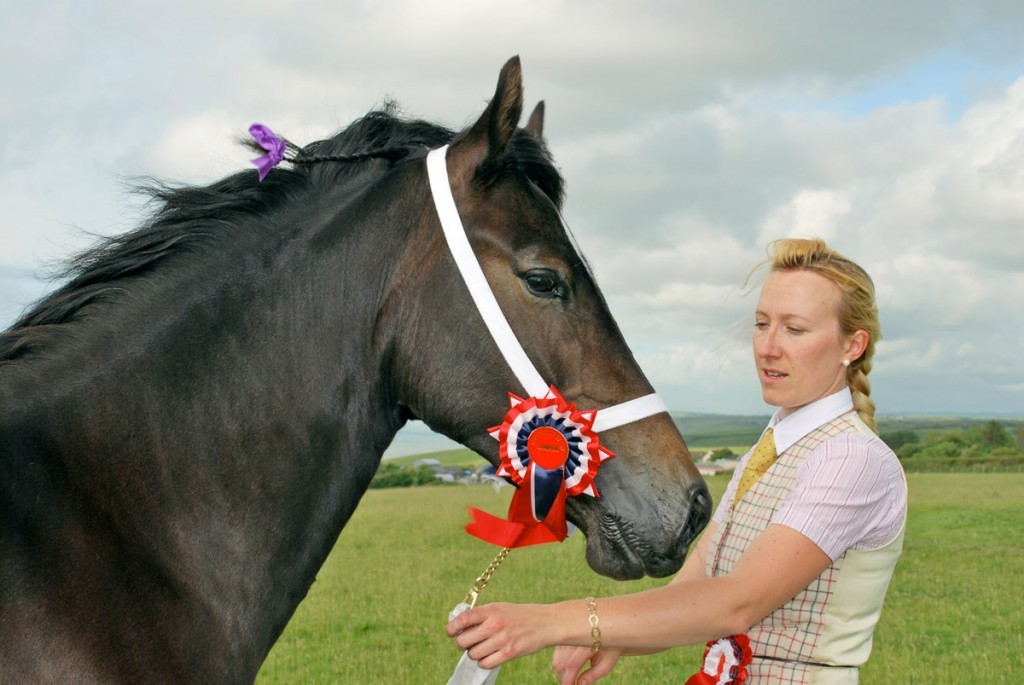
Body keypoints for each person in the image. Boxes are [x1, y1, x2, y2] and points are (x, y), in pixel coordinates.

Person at [446, 237, 907, 684]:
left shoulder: (851, 457)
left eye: (795, 328)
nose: (767, 347)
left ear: (852, 346)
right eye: (762, 323)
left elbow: (737, 603)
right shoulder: (770, 449)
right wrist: (610, 637)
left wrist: (557, 621)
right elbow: (691, 596)